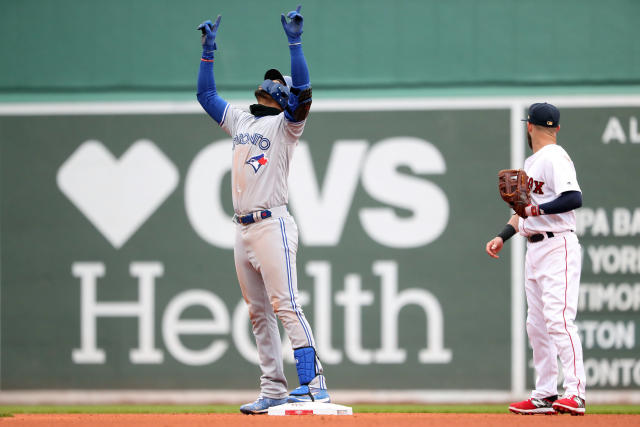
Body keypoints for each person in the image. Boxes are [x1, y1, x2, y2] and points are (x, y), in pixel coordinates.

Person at [196, 6, 329, 415]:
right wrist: (208, 54)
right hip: (243, 229)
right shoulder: (240, 120)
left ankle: (314, 383)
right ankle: (272, 387)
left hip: (273, 224)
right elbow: (206, 95)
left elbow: (304, 89)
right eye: (268, 78)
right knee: (258, 313)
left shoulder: (287, 125)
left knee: (286, 303)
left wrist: (295, 43)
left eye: (276, 81)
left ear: (283, 94)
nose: (269, 82)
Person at [485, 103, 586, 416]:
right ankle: (544, 394)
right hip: (535, 248)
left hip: (558, 246)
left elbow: (574, 198)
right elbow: (521, 212)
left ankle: (576, 393)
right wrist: (503, 234)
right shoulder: (532, 162)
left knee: (557, 320)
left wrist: (534, 211)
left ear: (529, 126)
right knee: (537, 325)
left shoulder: (555, 157)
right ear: (556, 127)